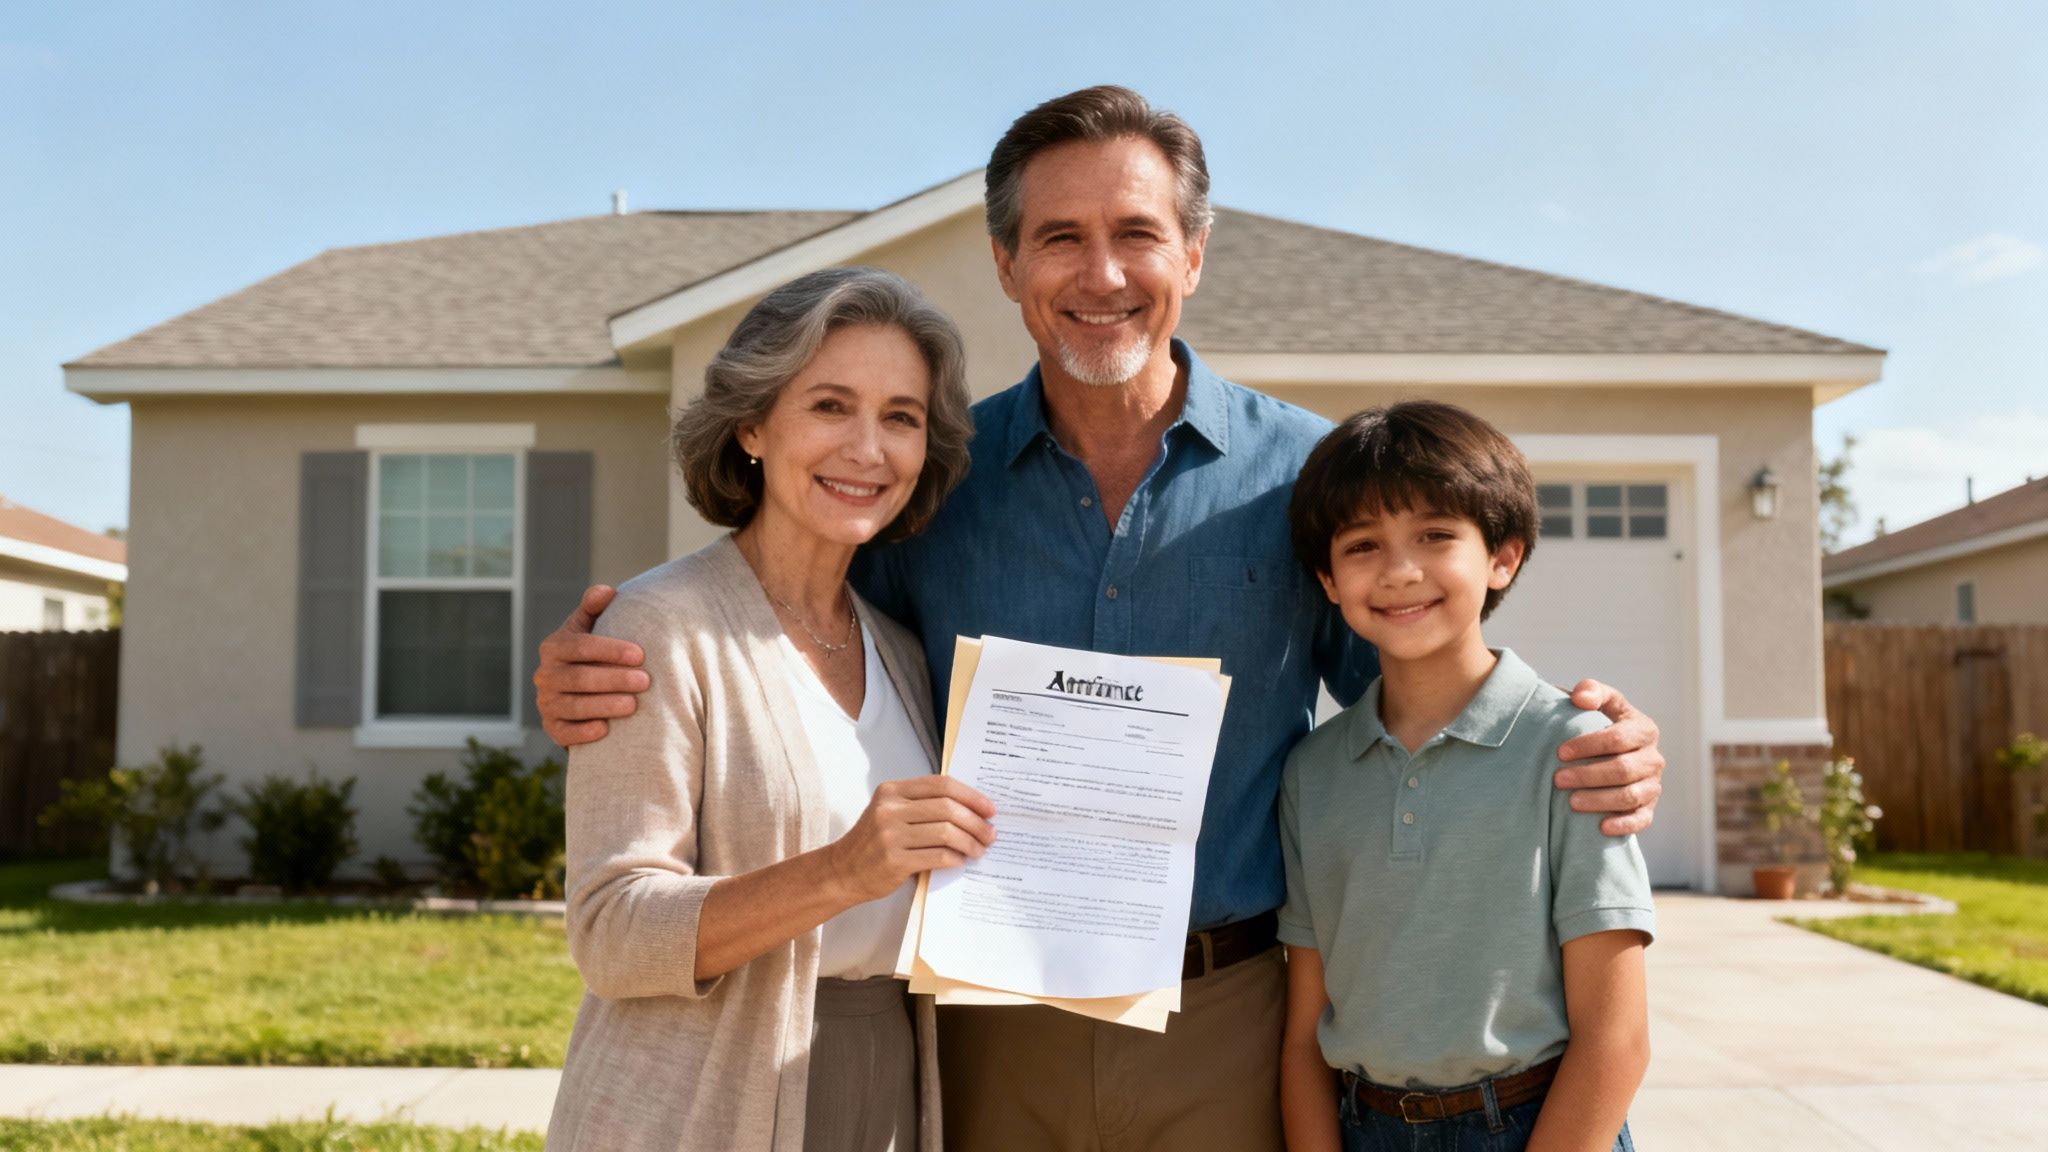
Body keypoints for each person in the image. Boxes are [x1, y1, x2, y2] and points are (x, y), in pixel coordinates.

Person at [538, 87, 1667, 1151]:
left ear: (1193, 251)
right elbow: (790, 640)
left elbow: (1422, 685)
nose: (1102, 273)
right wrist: (598, 661)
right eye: (1059, 237)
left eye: (1135, 232)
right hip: (983, 1024)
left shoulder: (1309, 482)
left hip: (1227, 1015)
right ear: (1005, 263)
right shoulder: (935, 487)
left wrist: (1578, 734)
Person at [544, 266, 992, 1152]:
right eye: (830, 406)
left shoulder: (901, 649)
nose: (868, 449)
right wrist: (842, 870)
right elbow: (612, 931)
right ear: (752, 423)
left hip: (887, 1077)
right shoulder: (660, 626)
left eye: (900, 417)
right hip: (700, 1099)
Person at [1276, 401, 1653, 1152]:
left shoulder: (1574, 750)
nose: (1400, 571)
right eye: (1362, 546)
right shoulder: (1312, 771)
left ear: (1503, 557)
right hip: (1364, 1127)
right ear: (1327, 579)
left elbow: (1618, 1040)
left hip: (1535, 1124)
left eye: (1436, 535)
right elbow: (1301, 1037)